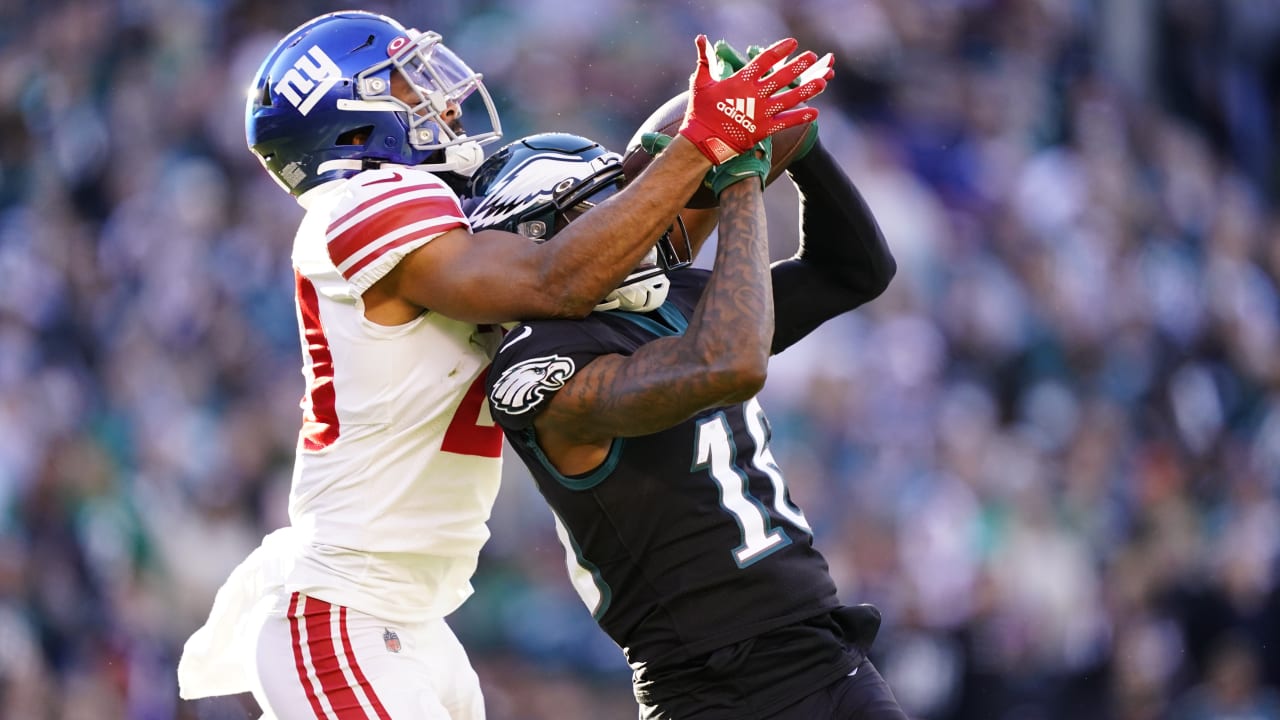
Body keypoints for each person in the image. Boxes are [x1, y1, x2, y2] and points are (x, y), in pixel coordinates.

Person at [176, 10, 832, 720]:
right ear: (354, 127)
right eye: (405, 81)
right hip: (346, 611)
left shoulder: (433, 211)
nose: (443, 98)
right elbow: (559, 280)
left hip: (410, 622)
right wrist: (705, 141)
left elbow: (635, 239)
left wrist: (720, 124)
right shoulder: (361, 202)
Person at [471, 107, 903, 719]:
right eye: (603, 204)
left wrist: (800, 139)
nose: (636, 212)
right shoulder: (538, 362)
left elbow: (856, 271)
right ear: (539, 238)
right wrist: (740, 177)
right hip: (715, 687)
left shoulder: (673, 297)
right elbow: (727, 365)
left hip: (823, 647)